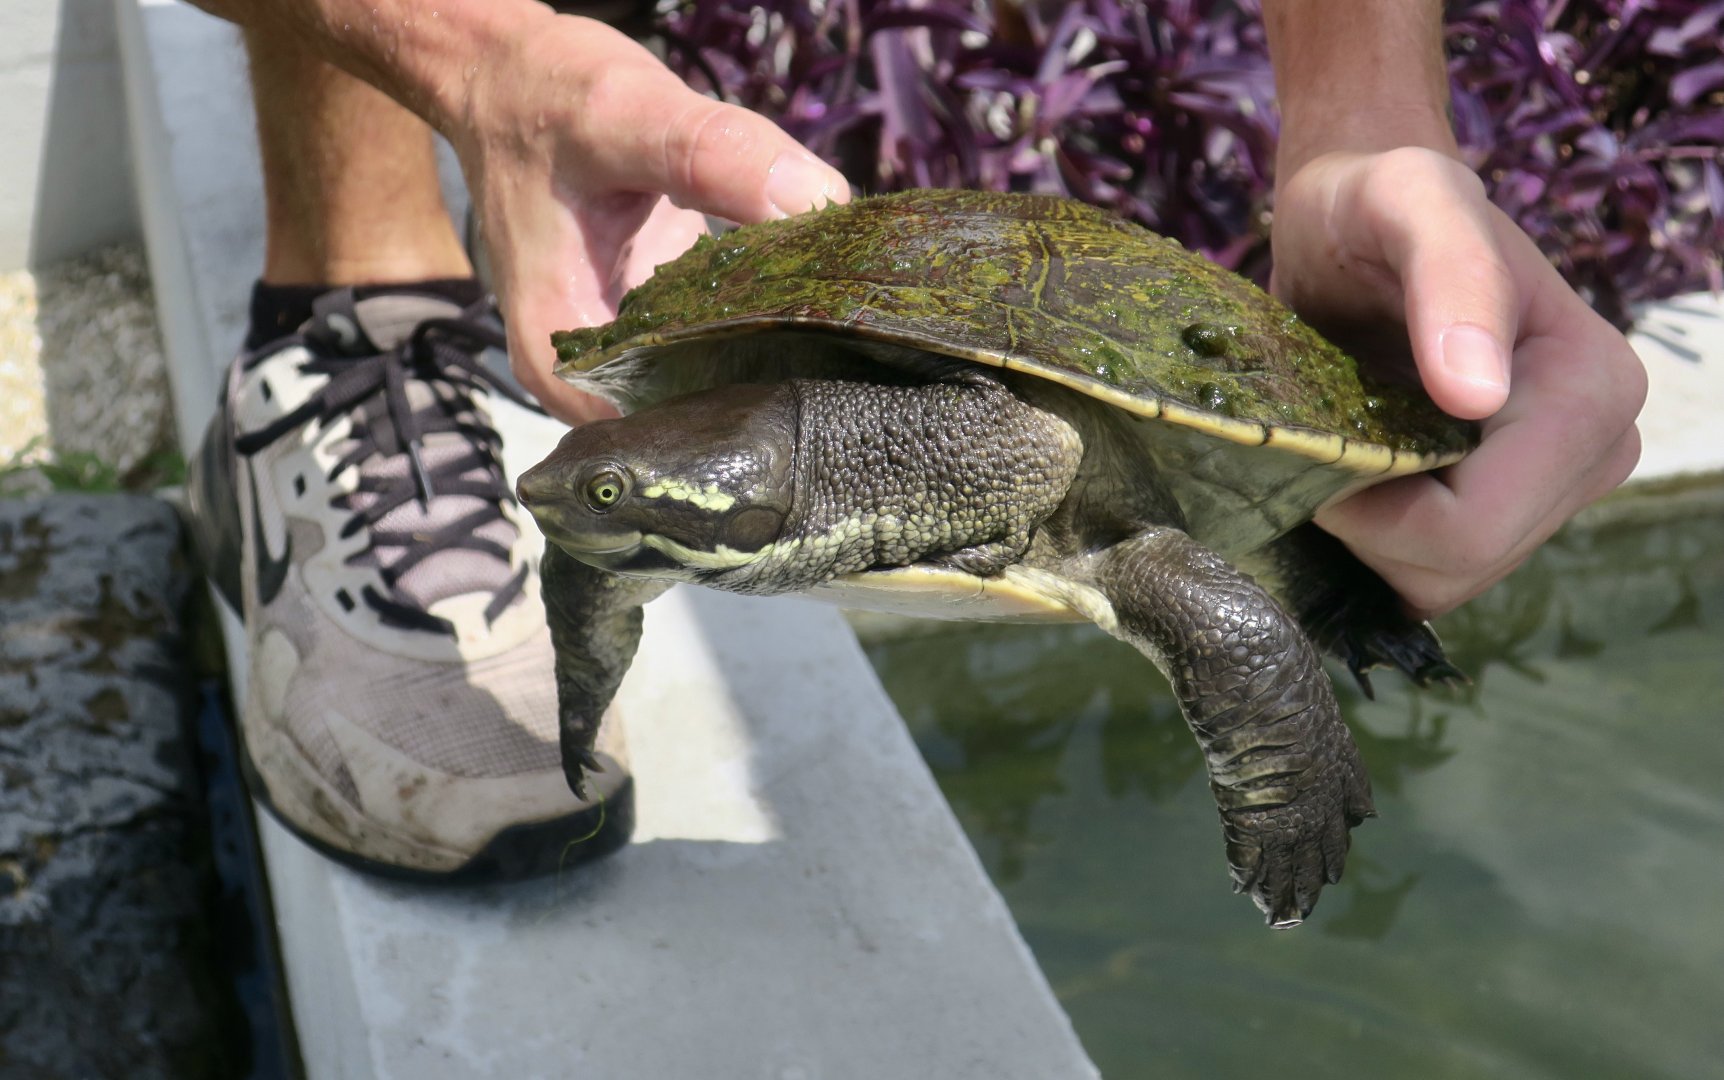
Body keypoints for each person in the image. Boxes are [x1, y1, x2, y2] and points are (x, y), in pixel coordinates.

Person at [181, 0, 1646, 879]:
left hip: (1078, 391)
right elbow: (596, 503)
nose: (568, 493)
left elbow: (1223, 617)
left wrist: (1364, 113)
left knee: (1252, 601)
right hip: (813, 359)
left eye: (622, 484)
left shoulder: (1078, 488)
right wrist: (474, 58)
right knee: (588, 503)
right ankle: (356, 302)